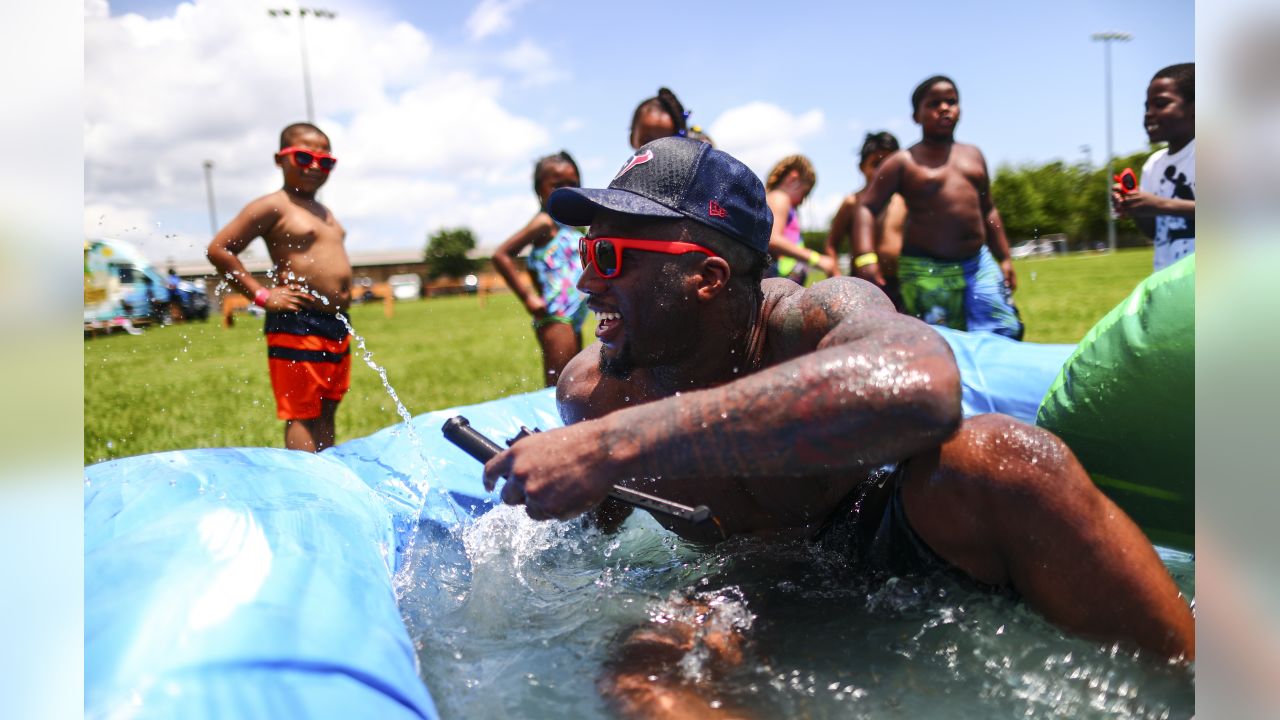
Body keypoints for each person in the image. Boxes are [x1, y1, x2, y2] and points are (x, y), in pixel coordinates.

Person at [481, 137, 1194, 717]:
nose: (584, 285)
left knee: (1003, 457)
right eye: (584, 255)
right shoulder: (595, 392)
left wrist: (618, 445)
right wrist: (551, 494)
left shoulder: (806, 319)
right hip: (746, 582)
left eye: (609, 258)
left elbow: (925, 385)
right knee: (642, 673)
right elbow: (592, 544)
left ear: (703, 275)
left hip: (884, 532)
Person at [206, 122, 353, 453]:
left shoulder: (323, 211)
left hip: (334, 323)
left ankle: (326, 476)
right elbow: (219, 249)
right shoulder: (274, 205)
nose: (315, 166)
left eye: (325, 160)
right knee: (302, 413)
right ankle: (305, 486)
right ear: (279, 159)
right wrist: (261, 295)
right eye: (303, 157)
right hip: (297, 321)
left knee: (328, 408)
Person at [853, 75, 1023, 339]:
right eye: (934, 103)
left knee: (1005, 329)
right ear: (916, 116)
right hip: (926, 270)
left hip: (977, 262)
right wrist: (865, 256)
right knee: (941, 340)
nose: (944, 108)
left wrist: (1004, 257)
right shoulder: (903, 162)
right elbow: (867, 207)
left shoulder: (974, 156)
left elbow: (988, 209)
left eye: (951, 101)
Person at [492, 151, 590, 387]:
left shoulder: (570, 224)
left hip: (573, 315)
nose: (566, 190)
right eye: (557, 185)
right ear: (539, 190)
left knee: (576, 383)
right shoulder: (544, 222)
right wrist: (528, 297)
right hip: (556, 315)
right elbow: (501, 255)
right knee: (559, 387)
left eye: (573, 184)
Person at [1112, 63, 1195, 272]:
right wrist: (1136, 207)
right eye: (1146, 106)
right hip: (1168, 283)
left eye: (1161, 104)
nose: (1149, 113)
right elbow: (1154, 232)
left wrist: (1159, 205)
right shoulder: (1154, 164)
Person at [824, 132, 908, 306]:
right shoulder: (852, 202)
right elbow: (832, 244)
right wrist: (837, 277)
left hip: (900, 285)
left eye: (888, 164)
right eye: (876, 164)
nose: (882, 171)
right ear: (862, 167)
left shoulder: (904, 202)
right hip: (861, 285)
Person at [764, 155, 837, 284]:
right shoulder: (780, 197)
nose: (802, 202)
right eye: (805, 193)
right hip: (779, 277)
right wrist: (817, 259)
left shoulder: (782, 201)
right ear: (793, 179)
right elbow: (773, 239)